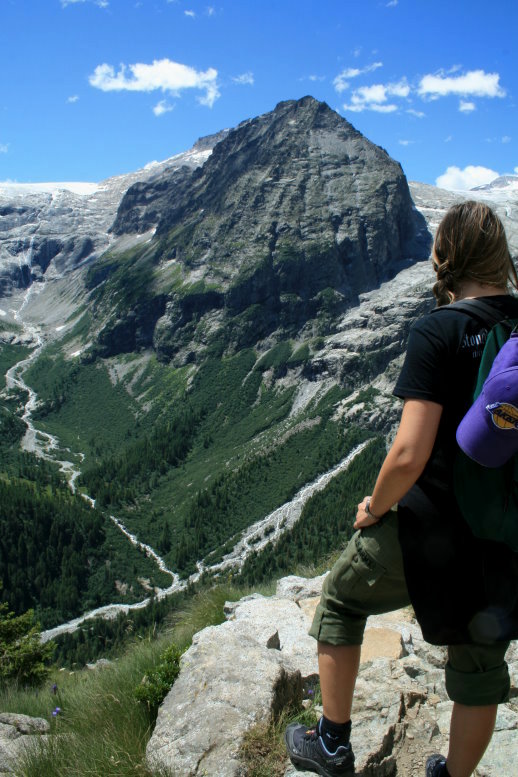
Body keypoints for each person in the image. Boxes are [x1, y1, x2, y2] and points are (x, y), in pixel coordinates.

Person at [285, 200, 518, 777]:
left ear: (446, 255)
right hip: (503, 533)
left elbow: (410, 452)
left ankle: (333, 744)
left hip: (428, 526)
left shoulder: (439, 329)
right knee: (481, 659)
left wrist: (374, 505)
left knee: (341, 597)